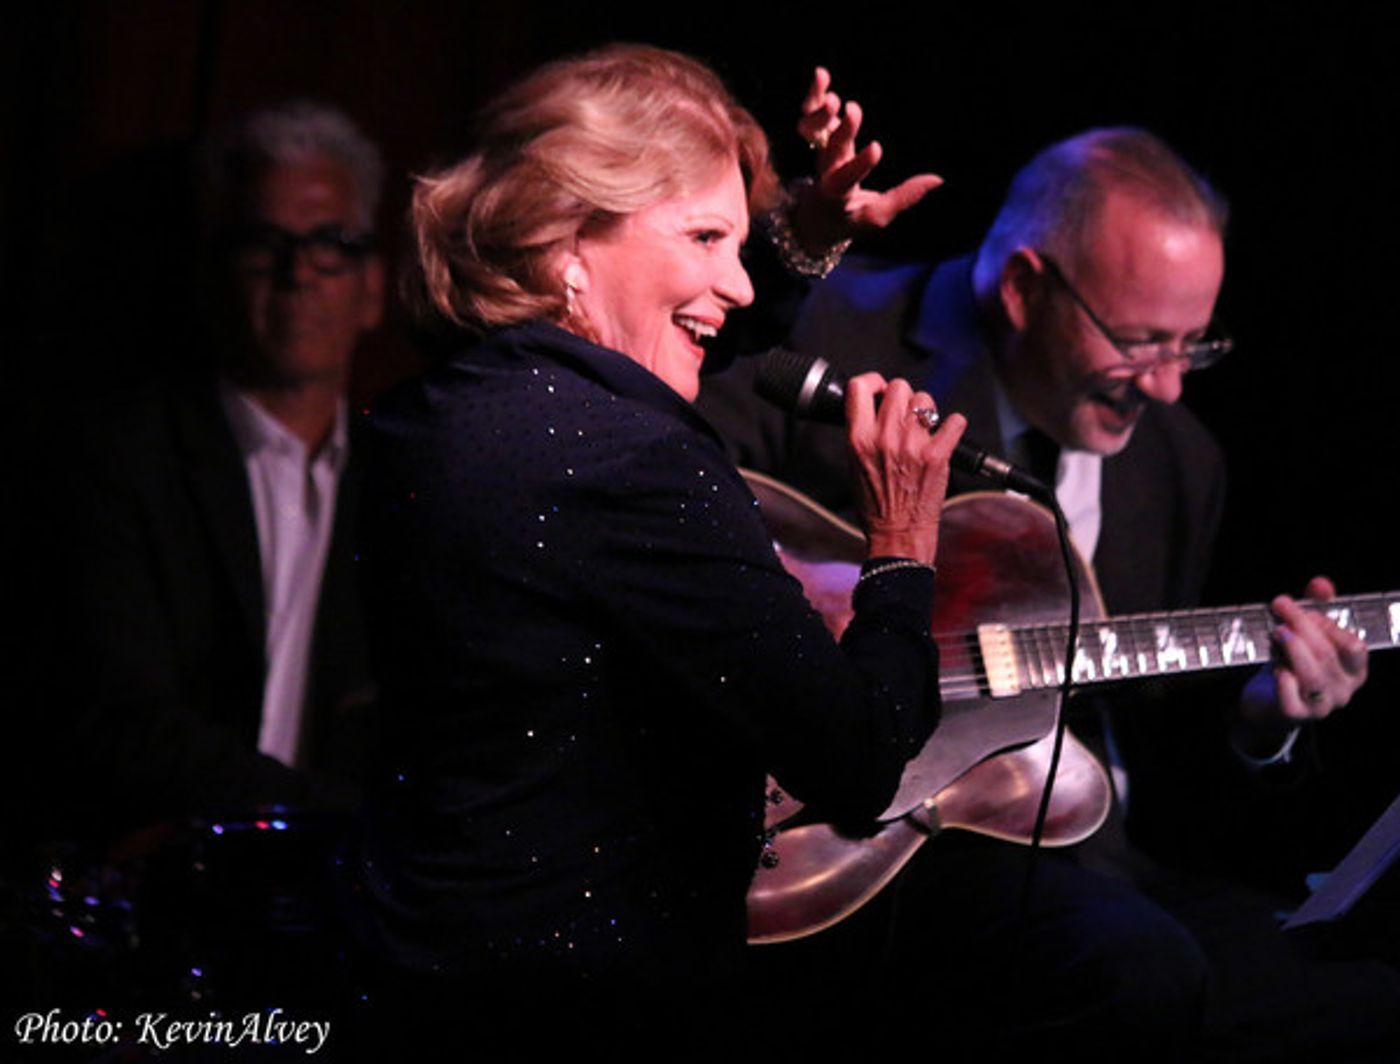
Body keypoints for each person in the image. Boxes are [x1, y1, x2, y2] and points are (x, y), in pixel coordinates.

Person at [698, 128, 1398, 1059]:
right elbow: (658, 492)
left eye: (1198, 343)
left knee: (1364, 994)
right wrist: (835, 613)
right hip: (863, 836)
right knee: (1139, 974)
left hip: (1087, 848)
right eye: (1141, 341)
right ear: (1024, 288)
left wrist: (1260, 720)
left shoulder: (1180, 462)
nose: (1170, 384)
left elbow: (1155, 754)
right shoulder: (827, 329)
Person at [344, 44, 962, 1055]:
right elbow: (858, 756)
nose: (735, 281)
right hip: (581, 1012)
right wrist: (897, 544)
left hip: (420, 977)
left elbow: (673, 334)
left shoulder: (432, 412)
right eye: (708, 235)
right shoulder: (630, 461)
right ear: (562, 242)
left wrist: (797, 236)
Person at [46, 100, 384, 837]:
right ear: (212, 271)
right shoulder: (124, 459)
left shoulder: (403, 482)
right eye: (266, 242)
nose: (300, 273)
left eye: (331, 242)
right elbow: (119, 717)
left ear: (373, 287)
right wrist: (327, 821)